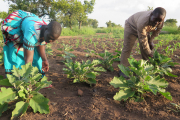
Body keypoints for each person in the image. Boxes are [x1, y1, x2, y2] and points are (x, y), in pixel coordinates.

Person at [1, 10, 62, 76]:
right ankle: (16, 78)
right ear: (46, 29)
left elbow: (41, 43)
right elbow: (28, 59)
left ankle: (38, 78)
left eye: (53, 40)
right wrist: (28, 80)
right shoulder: (31, 33)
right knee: (17, 52)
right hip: (16, 24)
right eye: (50, 38)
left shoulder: (48, 30)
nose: (51, 41)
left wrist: (44, 59)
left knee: (37, 56)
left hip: (29, 23)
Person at [119, 7, 166, 78]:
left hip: (144, 30)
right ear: (151, 15)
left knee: (147, 48)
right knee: (127, 47)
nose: (157, 22)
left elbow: (157, 31)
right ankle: (123, 69)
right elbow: (143, 39)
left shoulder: (160, 20)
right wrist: (149, 52)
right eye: (155, 19)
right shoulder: (143, 21)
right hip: (131, 26)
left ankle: (146, 68)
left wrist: (150, 41)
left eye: (159, 20)